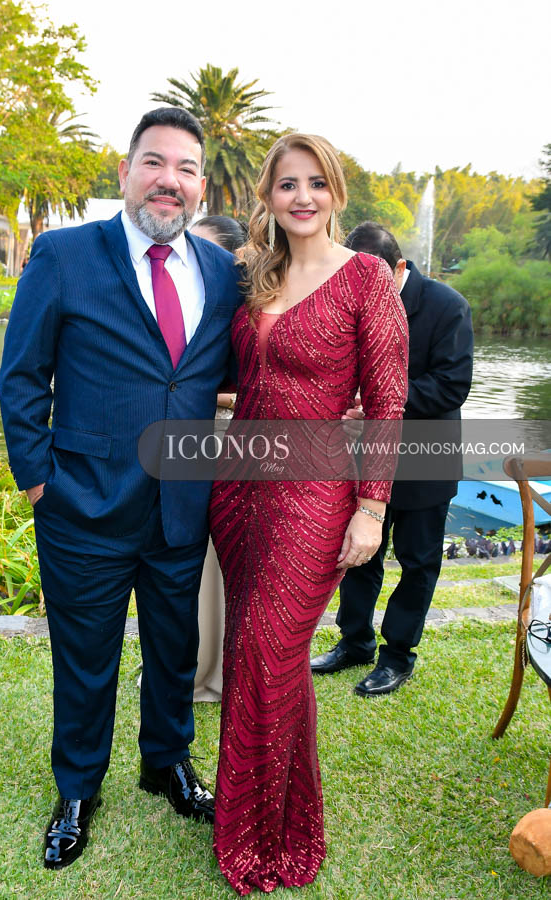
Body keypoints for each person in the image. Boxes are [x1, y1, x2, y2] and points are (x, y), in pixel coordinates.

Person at [0, 108, 243, 870]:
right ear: (126, 171)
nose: (169, 181)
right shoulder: (64, 255)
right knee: (85, 659)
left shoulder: (221, 274)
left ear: (200, 186)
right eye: (154, 163)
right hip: (81, 507)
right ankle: (77, 790)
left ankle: (166, 762)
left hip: (181, 508)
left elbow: (227, 374)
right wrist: (39, 483)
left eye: (186, 169)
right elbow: (21, 377)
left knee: (175, 649)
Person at [209, 135, 409, 894]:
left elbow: (387, 404)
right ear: (266, 195)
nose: (302, 197)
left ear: (336, 194)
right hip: (237, 488)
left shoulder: (365, 278)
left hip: (315, 491)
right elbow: (241, 379)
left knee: (269, 648)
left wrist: (371, 508)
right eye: (287, 184)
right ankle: (264, 812)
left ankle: (271, 832)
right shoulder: (256, 275)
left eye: (316, 183)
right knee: (251, 651)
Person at [311, 222, 473, 695]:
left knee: (417, 562)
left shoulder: (448, 306)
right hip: (364, 455)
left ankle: (398, 655)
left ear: (399, 267)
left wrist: (383, 401)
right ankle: (354, 642)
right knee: (359, 556)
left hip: (426, 459)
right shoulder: (347, 299)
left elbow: (452, 386)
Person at [189, 215, 246, 703]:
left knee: (217, 561)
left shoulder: (244, 308)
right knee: (190, 559)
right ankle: (190, 660)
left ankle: (216, 671)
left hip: (226, 438)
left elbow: (251, 387)